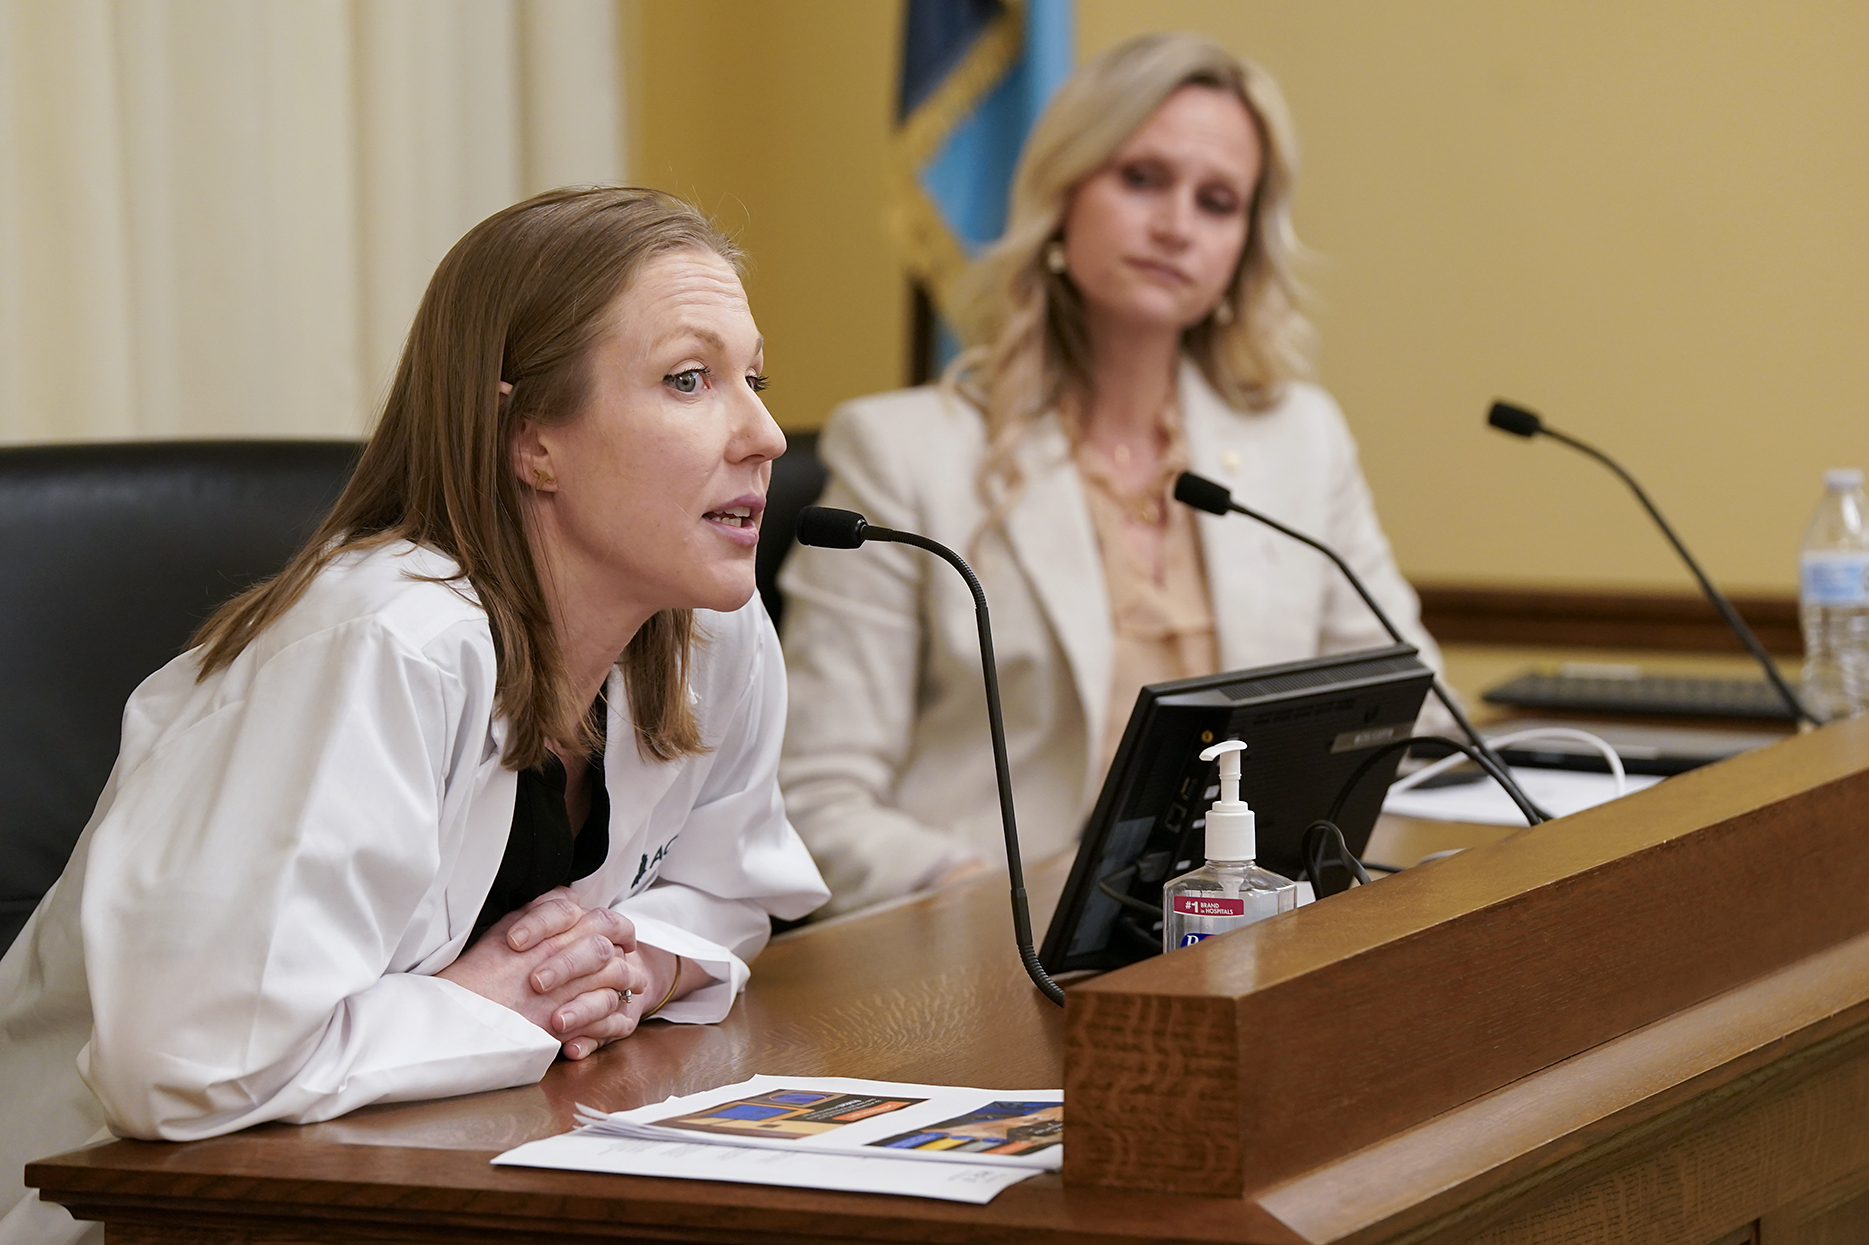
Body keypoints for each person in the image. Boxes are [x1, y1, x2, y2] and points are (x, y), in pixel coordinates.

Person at [0, 187, 828, 1242]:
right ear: (531, 439)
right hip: (140, 1214)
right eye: (688, 380)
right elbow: (182, 1068)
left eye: (755, 380)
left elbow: (736, 885)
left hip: (451, 1170)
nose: (762, 433)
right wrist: (501, 1004)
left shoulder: (709, 627)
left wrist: (633, 963)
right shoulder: (387, 642)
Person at [779, 33, 1452, 916]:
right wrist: (985, 899)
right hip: (989, 946)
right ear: (1062, 196)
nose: (1175, 224)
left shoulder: (1299, 440)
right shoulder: (903, 454)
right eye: (1140, 179)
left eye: (1216, 202)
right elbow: (812, 798)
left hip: (1250, 931)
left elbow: (1416, 722)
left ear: (1243, 249)